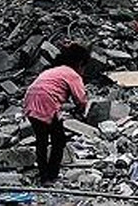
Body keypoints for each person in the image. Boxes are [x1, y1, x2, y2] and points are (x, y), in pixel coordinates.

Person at [23, 42, 90, 184]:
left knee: (41, 140)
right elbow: (81, 99)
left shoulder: (53, 71)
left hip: (30, 100)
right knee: (59, 140)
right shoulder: (72, 74)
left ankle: (43, 175)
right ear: (80, 64)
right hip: (46, 102)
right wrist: (82, 112)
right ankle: (52, 175)